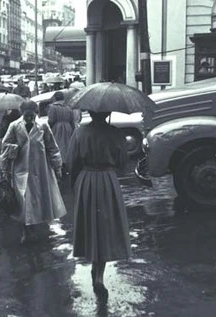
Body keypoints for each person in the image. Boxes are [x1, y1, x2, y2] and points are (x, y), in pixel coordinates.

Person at [66, 111, 131, 298]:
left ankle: (95, 268)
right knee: (104, 226)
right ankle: (99, 275)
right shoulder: (115, 133)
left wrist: (75, 183)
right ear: (108, 113)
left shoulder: (79, 133)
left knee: (91, 225)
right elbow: (122, 163)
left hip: (86, 179)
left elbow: (71, 162)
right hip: (108, 181)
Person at [1, 100, 67, 244]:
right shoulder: (14, 126)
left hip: (40, 168)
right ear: (22, 114)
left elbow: (52, 147)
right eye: (26, 115)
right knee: (23, 199)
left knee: (39, 198)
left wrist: (57, 168)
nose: (29, 118)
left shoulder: (43, 125)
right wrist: (6, 168)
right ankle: (26, 229)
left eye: (32, 115)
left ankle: (35, 226)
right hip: (20, 168)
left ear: (36, 113)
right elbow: (5, 145)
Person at [47, 91, 75, 170]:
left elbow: (51, 120)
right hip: (68, 128)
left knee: (58, 145)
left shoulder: (52, 107)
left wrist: (49, 128)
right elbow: (72, 120)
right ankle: (66, 163)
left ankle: (60, 164)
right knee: (67, 146)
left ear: (55, 98)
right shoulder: (68, 107)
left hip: (57, 128)